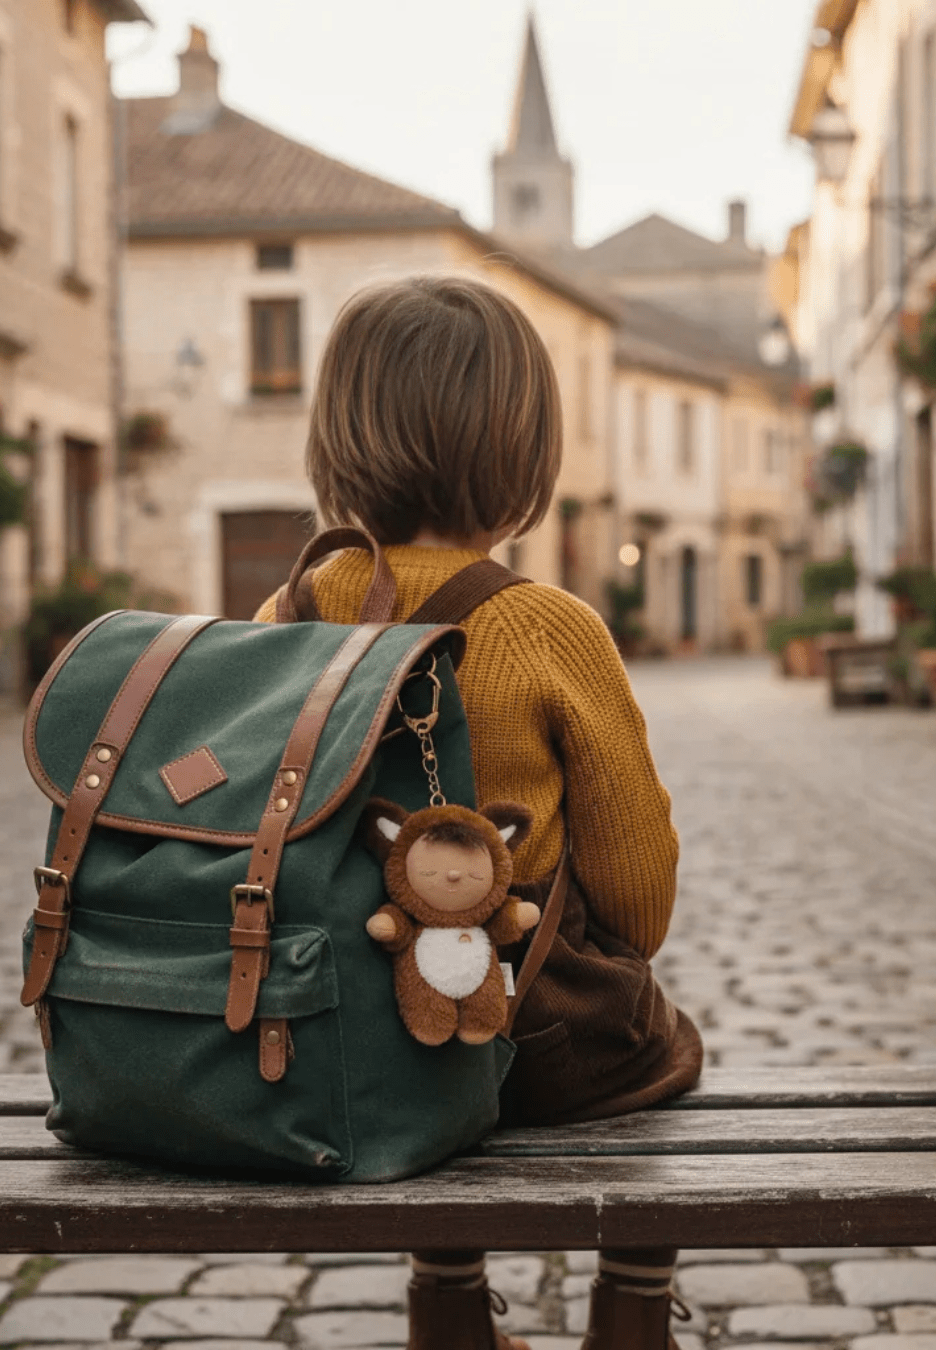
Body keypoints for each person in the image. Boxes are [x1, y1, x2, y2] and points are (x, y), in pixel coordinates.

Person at [255, 275, 702, 1350]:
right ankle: (634, 1307)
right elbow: (637, 897)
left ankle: (446, 1301)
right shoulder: (551, 628)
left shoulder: (288, 613)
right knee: (666, 1053)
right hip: (530, 1036)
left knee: (425, 1080)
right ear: (524, 462)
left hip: (337, 1041)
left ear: (336, 441)